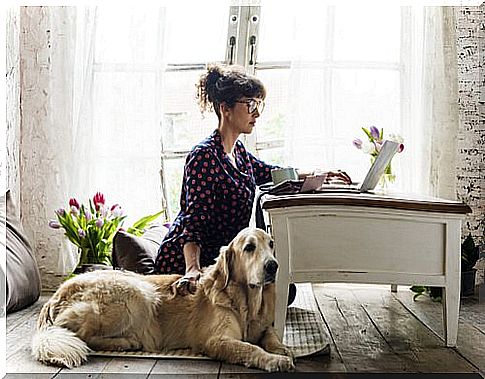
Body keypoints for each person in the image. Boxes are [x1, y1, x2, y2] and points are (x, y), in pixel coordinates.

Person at [154, 64, 351, 296]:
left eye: (259, 105)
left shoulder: (239, 153)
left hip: (226, 260)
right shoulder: (203, 156)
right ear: (225, 108)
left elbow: (273, 173)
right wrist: (192, 269)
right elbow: (193, 223)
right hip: (188, 260)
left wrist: (322, 174)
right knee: (277, 293)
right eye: (250, 105)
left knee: (285, 291)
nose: (256, 113)